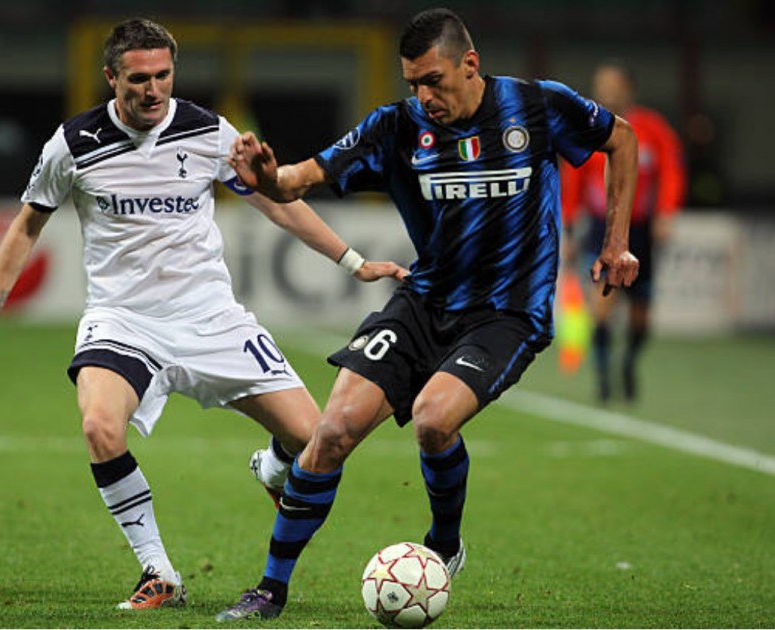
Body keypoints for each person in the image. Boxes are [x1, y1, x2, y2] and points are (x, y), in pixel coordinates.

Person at [0, 18, 405, 611]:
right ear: (111, 76)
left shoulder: (208, 133)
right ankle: (159, 572)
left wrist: (353, 262)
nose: (153, 89)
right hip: (123, 320)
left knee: (315, 442)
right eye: (138, 78)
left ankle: (271, 468)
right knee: (99, 426)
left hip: (211, 317)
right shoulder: (73, 145)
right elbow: (26, 225)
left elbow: (278, 205)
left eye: (163, 75)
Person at [216, 7, 640, 622]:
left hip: (507, 314)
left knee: (434, 421)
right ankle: (269, 590)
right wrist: (265, 177)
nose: (424, 95)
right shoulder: (395, 126)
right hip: (425, 301)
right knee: (331, 432)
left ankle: (443, 545)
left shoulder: (537, 106)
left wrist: (615, 240)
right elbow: (298, 180)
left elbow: (620, 137)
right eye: (413, 82)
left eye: (434, 80)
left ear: (470, 64)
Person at [560, 60, 686, 403]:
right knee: (601, 306)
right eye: (601, 85)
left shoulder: (652, 128)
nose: (606, 91)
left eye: (613, 84)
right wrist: (569, 230)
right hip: (601, 229)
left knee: (640, 318)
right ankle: (603, 378)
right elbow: (572, 183)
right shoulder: (585, 128)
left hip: (641, 231)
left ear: (628, 88)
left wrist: (665, 213)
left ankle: (629, 362)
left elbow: (671, 172)